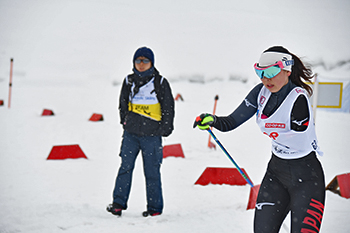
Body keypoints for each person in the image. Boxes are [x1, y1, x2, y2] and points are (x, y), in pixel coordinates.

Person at [193, 46, 325, 232]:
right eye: (259, 72)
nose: (265, 78)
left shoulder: (298, 99)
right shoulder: (260, 92)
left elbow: (298, 129)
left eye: (271, 71)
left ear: (287, 70)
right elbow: (232, 121)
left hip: (306, 177)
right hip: (276, 174)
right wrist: (213, 120)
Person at [107, 46, 175, 217]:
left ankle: (154, 209)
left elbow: (168, 107)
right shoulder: (128, 81)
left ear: (151, 63)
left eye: (145, 61)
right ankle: (118, 204)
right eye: (138, 60)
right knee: (125, 168)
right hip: (131, 135)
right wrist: (125, 121)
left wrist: (165, 129)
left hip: (152, 137)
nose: (141, 64)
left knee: (152, 172)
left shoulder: (160, 83)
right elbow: (122, 103)